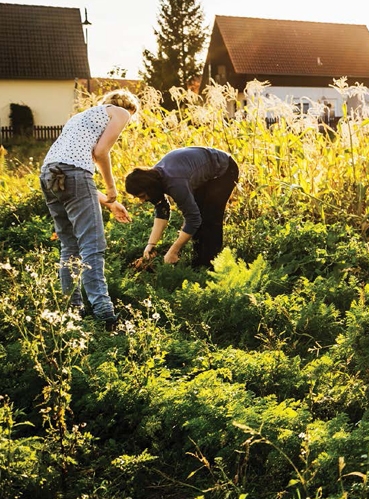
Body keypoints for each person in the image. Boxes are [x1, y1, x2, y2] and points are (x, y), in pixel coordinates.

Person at [40, 89, 140, 327]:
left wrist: (110, 202)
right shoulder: (122, 112)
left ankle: (72, 312)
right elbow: (100, 153)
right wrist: (112, 189)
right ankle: (105, 314)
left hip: (48, 174)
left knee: (69, 245)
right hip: (73, 174)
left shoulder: (81, 118)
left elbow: (71, 176)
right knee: (92, 245)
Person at [124, 146, 239, 269]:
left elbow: (193, 219)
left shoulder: (175, 183)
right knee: (199, 216)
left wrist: (173, 250)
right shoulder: (156, 179)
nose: (142, 200)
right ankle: (198, 264)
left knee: (210, 218)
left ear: (149, 188)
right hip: (199, 174)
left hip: (224, 170)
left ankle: (212, 267)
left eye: (142, 196)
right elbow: (162, 210)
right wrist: (151, 244)